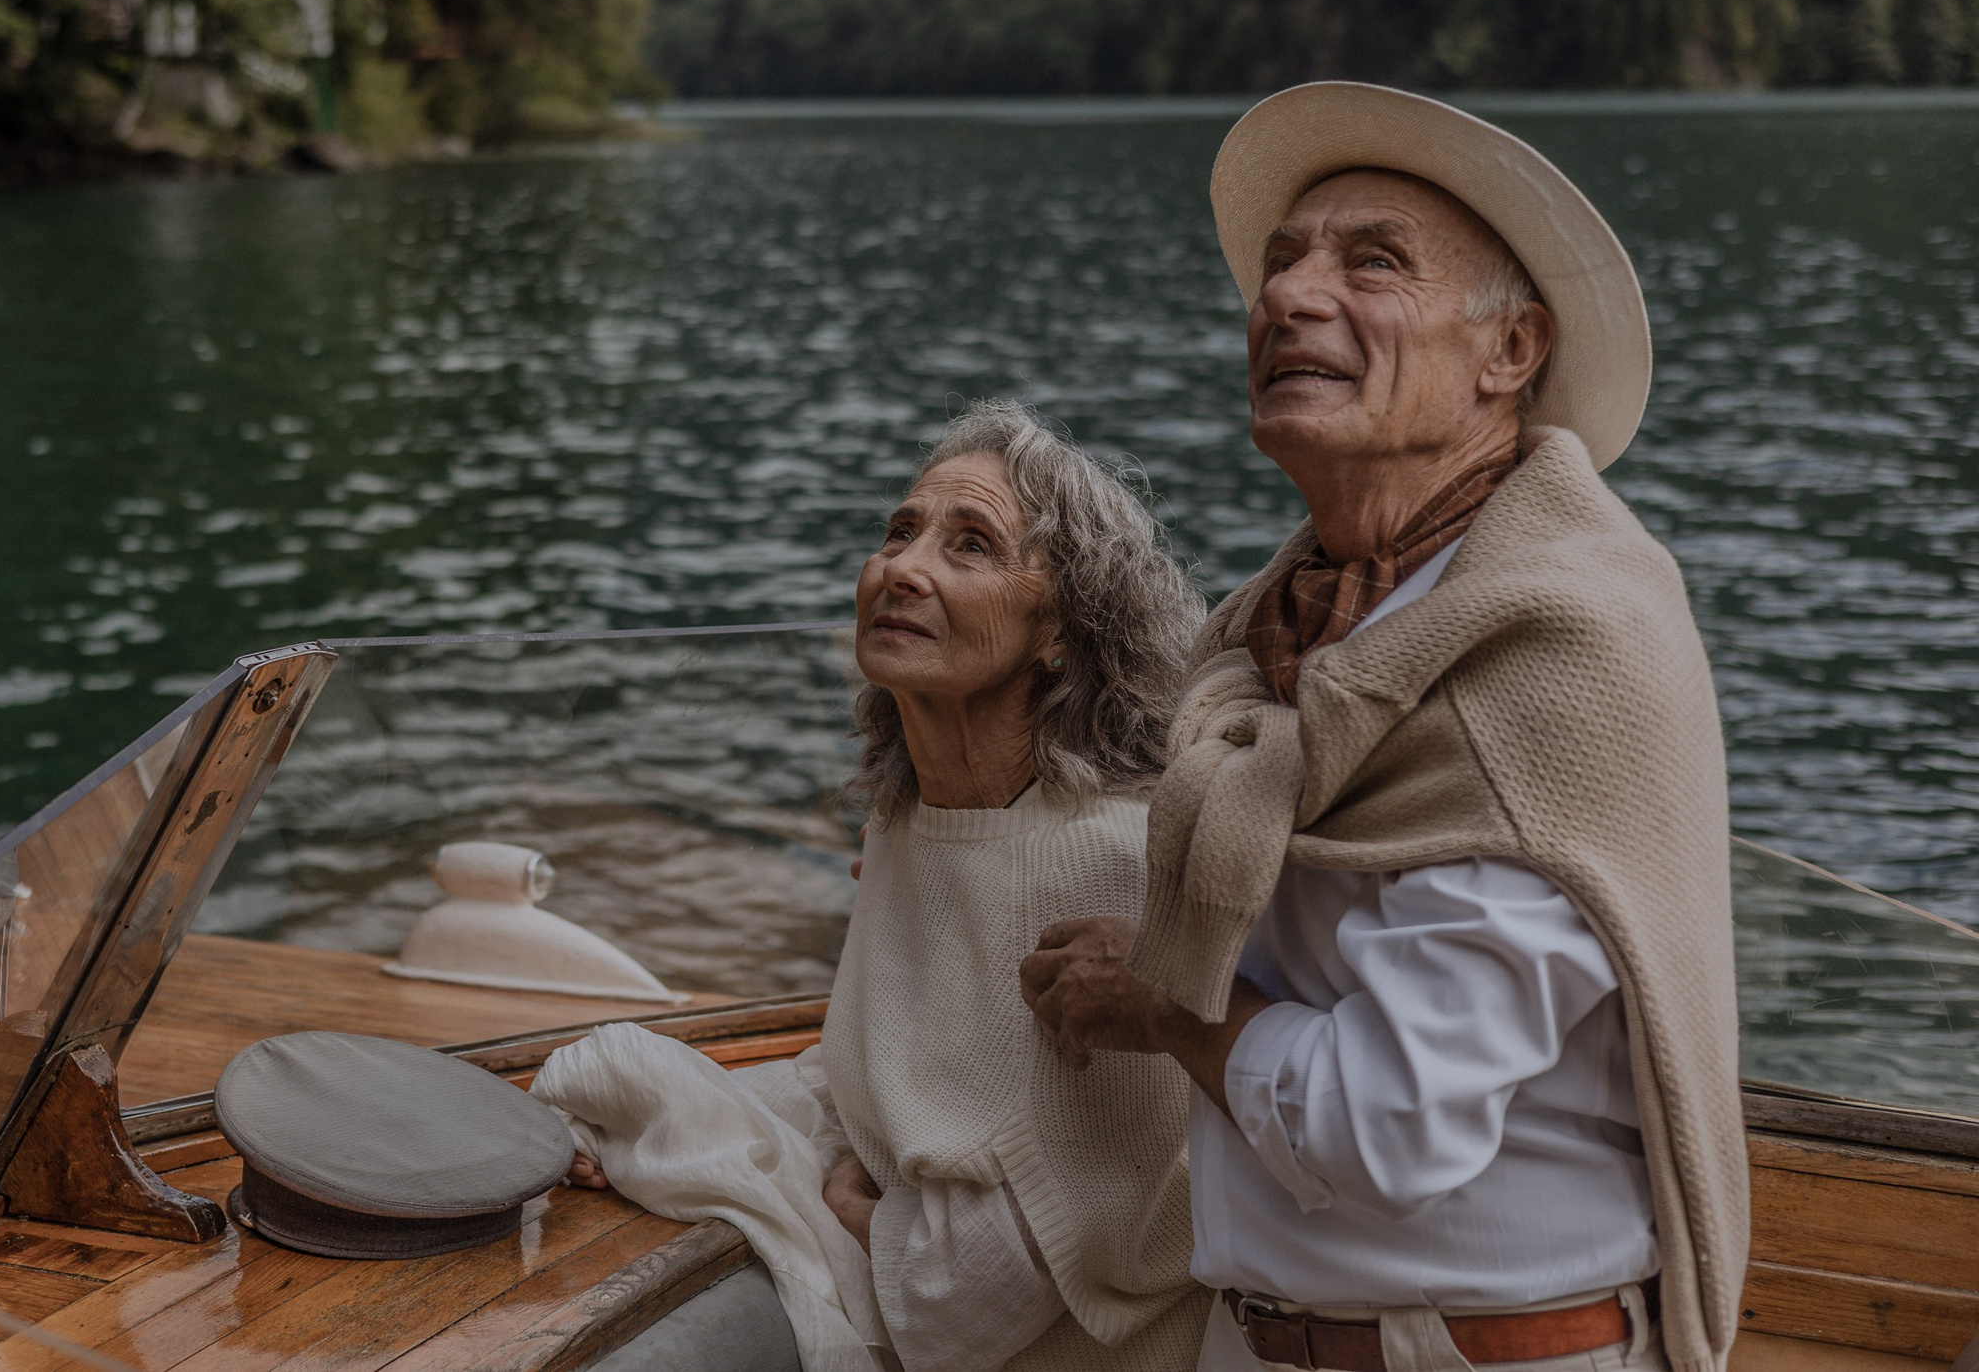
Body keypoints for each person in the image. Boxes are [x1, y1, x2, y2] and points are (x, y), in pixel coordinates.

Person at [1019, 83, 1747, 1372]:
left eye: (1372, 264)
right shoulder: (1287, 631)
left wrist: (1164, 1005)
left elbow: (1387, 1125)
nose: (1291, 297)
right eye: (1282, 262)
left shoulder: (1555, 654)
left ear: (1509, 352)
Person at [552, 399, 1213, 1372]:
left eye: (971, 545)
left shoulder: (1108, 870)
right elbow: (874, 1080)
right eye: (899, 531)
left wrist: (863, 1207)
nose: (901, 568)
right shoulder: (911, 828)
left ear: (1059, 632)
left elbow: (978, 1298)